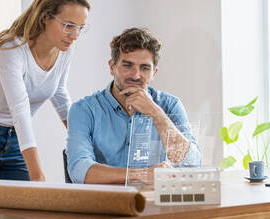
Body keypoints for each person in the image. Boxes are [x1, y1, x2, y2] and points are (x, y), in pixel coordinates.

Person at [0, 0, 90, 183]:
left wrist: (82, 141)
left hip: (15, 139)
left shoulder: (64, 50)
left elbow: (59, 93)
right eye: (69, 26)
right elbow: (20, 110)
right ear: (45, 17)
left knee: (23, 205)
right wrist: (37, 173)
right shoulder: (11, 49)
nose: (75, 35)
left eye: (80, 27)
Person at [66, 28, 201, 185]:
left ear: (154, 73)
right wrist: (142, 175)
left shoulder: (170, 105)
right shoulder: (84, 110)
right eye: (127, 66)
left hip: (155, 203)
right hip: (105, 204)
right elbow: (79, 171)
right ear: (112, 67)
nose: (136, 75)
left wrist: (156, 113)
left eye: (144, 68)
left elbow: (192, 165)